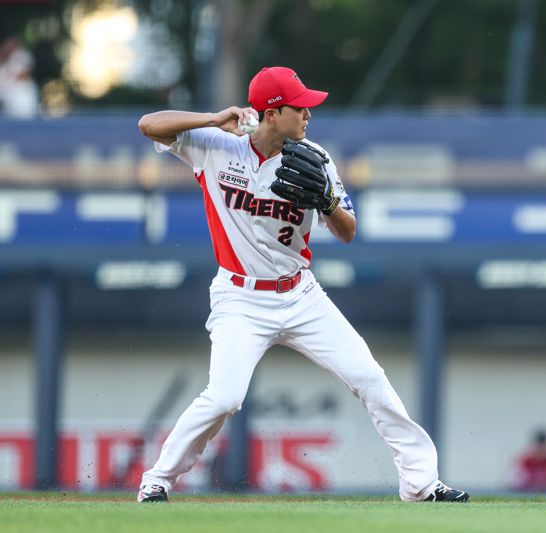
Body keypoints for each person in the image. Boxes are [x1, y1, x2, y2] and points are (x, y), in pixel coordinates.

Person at [134, 66, 468, 503]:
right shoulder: (217, 145)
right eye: (299, 107)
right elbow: (148, 125)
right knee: (224, 398)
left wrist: (327, 202)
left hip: (300, 294)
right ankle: (157, 479)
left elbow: (347, 232)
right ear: (272, 114)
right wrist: (213, 118)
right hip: (240, 297)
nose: (309, 113)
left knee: (369, 377)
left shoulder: (316, 158)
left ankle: (421, 483)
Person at [0, 31, 38, 119]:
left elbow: (26, 72)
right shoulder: (3, 66)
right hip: (8, 107)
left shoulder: (22, 55)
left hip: (22, 102)